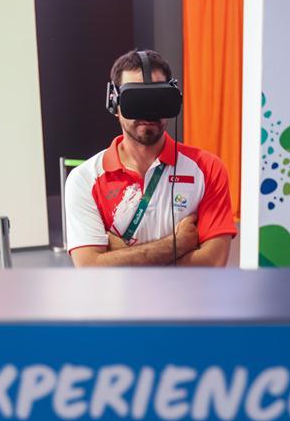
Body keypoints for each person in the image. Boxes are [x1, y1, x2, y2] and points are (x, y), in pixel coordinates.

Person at [65, 49, 237, 266]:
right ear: (114, 104)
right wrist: (178, 245)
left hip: (187, 300)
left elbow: (212, 262)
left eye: (157, 98)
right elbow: (90, 267)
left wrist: (119, 255)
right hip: (118, 301)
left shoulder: (207, 168)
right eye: (136, 99)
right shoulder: (85, 179)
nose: (148, 112)